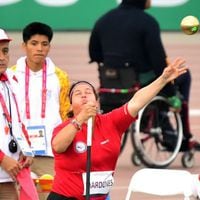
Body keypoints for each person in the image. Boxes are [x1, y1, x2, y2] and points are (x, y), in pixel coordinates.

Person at [47, 58, 187, 200]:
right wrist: (80, 119)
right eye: (77, 93)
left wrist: (162, 79)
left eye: (88, 92)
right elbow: (58, 146)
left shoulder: (112, 122)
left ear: (97, 102)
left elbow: (136, 101)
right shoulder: (64, 127)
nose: (83, 95)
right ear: (70, 106)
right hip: (65, 197)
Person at [88, 0, 199, 150]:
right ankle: (182, 137)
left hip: (110, 85)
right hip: (140, 85)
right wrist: (172, 94)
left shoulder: (103, 20)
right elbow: (159, 62)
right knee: (183, 76)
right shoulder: (148, 22)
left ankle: (161, 122)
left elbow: (94, 53)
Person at [10, 22, 70, 199]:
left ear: (49, 47)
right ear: (24, 46)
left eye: (44, 44)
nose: (39, 49)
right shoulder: (11, 76)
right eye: (34, 43)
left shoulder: (60, 77)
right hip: (19, 151)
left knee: (48, 196)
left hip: (48, 153)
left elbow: (65, 113)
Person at [0, 28, 37, 200]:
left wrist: (26, 149)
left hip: (7, 174)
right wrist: (2, 159)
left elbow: (18, 120)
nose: (2, 57)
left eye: (5, 51)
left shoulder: (12, 80)